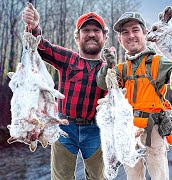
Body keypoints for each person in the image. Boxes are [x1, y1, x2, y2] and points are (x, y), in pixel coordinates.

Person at [96, 12, 172, 180]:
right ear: (120, 40)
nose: (131, 35)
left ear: (145, 34)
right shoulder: (120, 69)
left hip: (153, 127)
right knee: (133, 176)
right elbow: (103, 83)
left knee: (159, 175)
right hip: (128, 129)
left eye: (135, 30)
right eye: (125, 33)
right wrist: (108, 66)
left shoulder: (159, 63)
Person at [22, 3, 112, 179]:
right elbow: (43, 48)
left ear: (105, 37)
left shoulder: (110, 69)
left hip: (96, 130)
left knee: (98, 177)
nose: (91, 34)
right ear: (77, 37)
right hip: (64, 128)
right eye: (85, 31)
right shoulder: (69, 59)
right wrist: (34, 28)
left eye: (96, 30)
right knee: (61, 177)